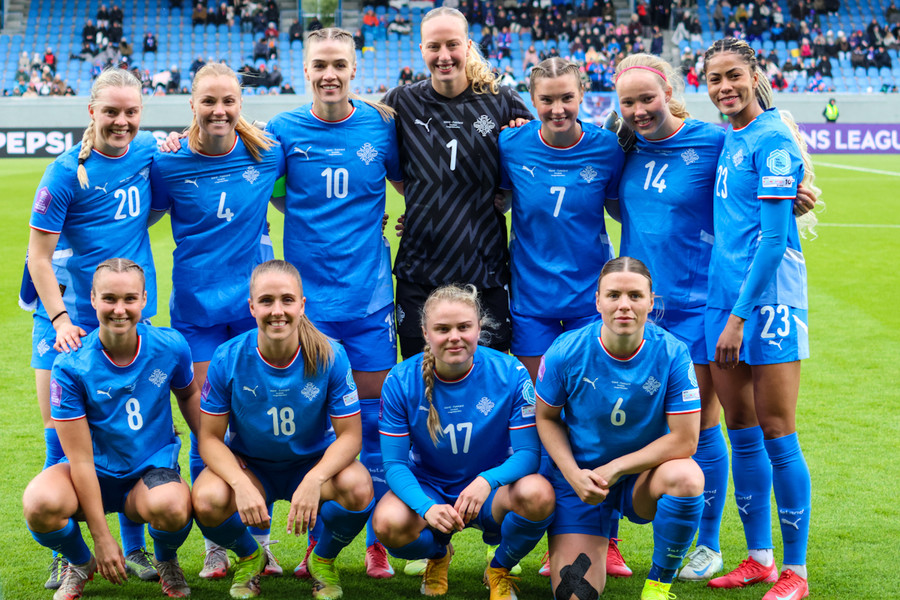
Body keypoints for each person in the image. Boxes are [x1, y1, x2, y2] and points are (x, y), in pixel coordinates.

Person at [265, 26, 402, 580]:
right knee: (319, 424)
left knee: (375, 421)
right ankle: (314, 546)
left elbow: (411, 184)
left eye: (339, 65)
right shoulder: (283, 130)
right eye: (319, 65)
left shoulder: (381, 124)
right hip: (308, 307)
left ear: (354, 69)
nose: (329, 74)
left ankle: (377, 544)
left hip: (369, 300)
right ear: (305, 71)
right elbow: (274, 194)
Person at [25, 67, 160, 589]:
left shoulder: (147, 150)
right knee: (58, 430)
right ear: (91, 112)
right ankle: (71, 554)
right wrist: (61, 318)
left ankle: (135, 547)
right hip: (68, 316)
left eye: (131, 112)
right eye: (111, 111)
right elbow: (38, 257)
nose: (121, 121)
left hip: (126, 310)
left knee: (128, 429)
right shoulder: (65, 172)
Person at [151, 61, 286, 580]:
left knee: (253, 423)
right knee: (209, 423)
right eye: (208, 101)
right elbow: (139, 214)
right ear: (192, 104)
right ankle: (215, 545)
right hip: (197, 312)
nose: (219, 110)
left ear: (240, 104)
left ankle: (261, 542)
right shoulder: (167, 162)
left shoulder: (267, 152)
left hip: (255, 310)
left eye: (228, 100)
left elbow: (307, 196)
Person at [702, 37, 819, 600]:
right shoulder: (732, 136)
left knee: (778, 433)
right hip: (722, 299)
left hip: (765, 305)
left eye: (734, 75)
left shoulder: (772, 137)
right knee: (741, 432)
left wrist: (739, 317)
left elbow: (773, 241)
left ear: (755, 75)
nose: (725, 87)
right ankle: (759, 559)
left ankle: (796, 571)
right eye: (715, 78)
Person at [191, 260, 375, 600]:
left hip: (310, 464)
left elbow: (351, 436)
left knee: (359, 486)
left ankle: (322, 559)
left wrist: (315, 478)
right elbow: (209, 438)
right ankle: (250, 555)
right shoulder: (227, 356)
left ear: (302, 305)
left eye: (287, 300)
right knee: (206, 499)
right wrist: (239, 482)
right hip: (253, 467)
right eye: (266, 301)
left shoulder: (331, 355)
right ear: (251, 307)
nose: (277, 311)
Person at [22, 259, 200, 600]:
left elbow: (189, 394)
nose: (120, 309)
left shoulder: (170, 346)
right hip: (93, 474)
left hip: (149, 474)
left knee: (173, 506)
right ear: (93, 299)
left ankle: (165, 559)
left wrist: (211, 449)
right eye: (109, 299)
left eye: (130, 298)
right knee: (39, 503)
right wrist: (101, 538)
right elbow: (80, 460)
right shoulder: (71, 364)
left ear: (144, 299)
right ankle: (80, 562)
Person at [535, 256, 705, 600]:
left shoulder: (672, 354)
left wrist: (617, 467)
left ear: (651, 302)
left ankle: (658, 585)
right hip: (582, 482)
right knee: (575, 594)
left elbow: (686, 439)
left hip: (641, 479)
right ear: (597, 300)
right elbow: (546, 418)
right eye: (613, 295)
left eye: (635, 296)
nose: (624, 305)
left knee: (687, 477)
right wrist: (573, 475)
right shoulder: (565, 352)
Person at [373, 283, 555, 599]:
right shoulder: (400, 380)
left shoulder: (510, 372)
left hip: (492, 492)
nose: (454, 337)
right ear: (425, 333)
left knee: (538, 495)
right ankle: (438, 554)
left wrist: (487, 481)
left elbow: (528, 453)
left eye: (464, 327)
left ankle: (499, 568)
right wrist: (426, 507)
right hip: (431, 487)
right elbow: (394, 464)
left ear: (479, 328)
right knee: (388, 524)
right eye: (442, 329)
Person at [382, 6, 533, 361]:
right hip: (420, 269)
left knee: (489, 376)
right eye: (434, 46)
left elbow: (533, 166)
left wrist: (506, 195)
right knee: (419, 375)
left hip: (484, 269)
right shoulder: (401, 102)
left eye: (452, 45)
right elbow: (379, 163)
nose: (444, 56)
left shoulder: (503, 101)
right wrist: (424, 204)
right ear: (421, 49)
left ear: (467, 46)